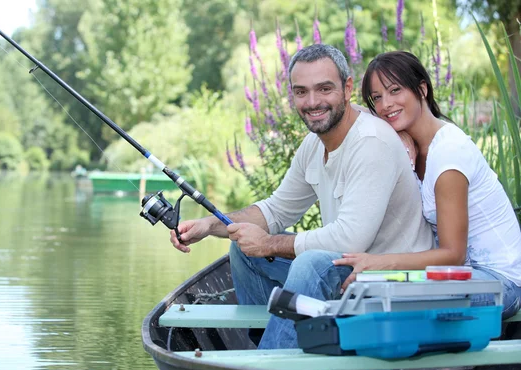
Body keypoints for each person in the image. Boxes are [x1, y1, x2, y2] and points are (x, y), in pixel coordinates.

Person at [170, 44, 434, 352]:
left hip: (393, 283)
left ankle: (272, 367)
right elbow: (275, 211)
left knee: (311, 264)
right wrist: (208, 225)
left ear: (348, 88)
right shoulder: (313, 145)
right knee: (243, 249)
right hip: (350, 277)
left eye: (324, 89)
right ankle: (276, 349)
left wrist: (268, 244)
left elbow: (350, 239)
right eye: (301, 92)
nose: (312, 102)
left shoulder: (370, 143)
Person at [331, 50, 521, 370]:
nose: (386, 104)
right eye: (376, 97)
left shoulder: (448, 153)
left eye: (394, 91)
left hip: (501, 282)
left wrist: (377, 264)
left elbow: (452, 254)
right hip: (463, 276)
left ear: (422, 89)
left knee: (393, 300)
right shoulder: (416, 149)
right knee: (377, 294)